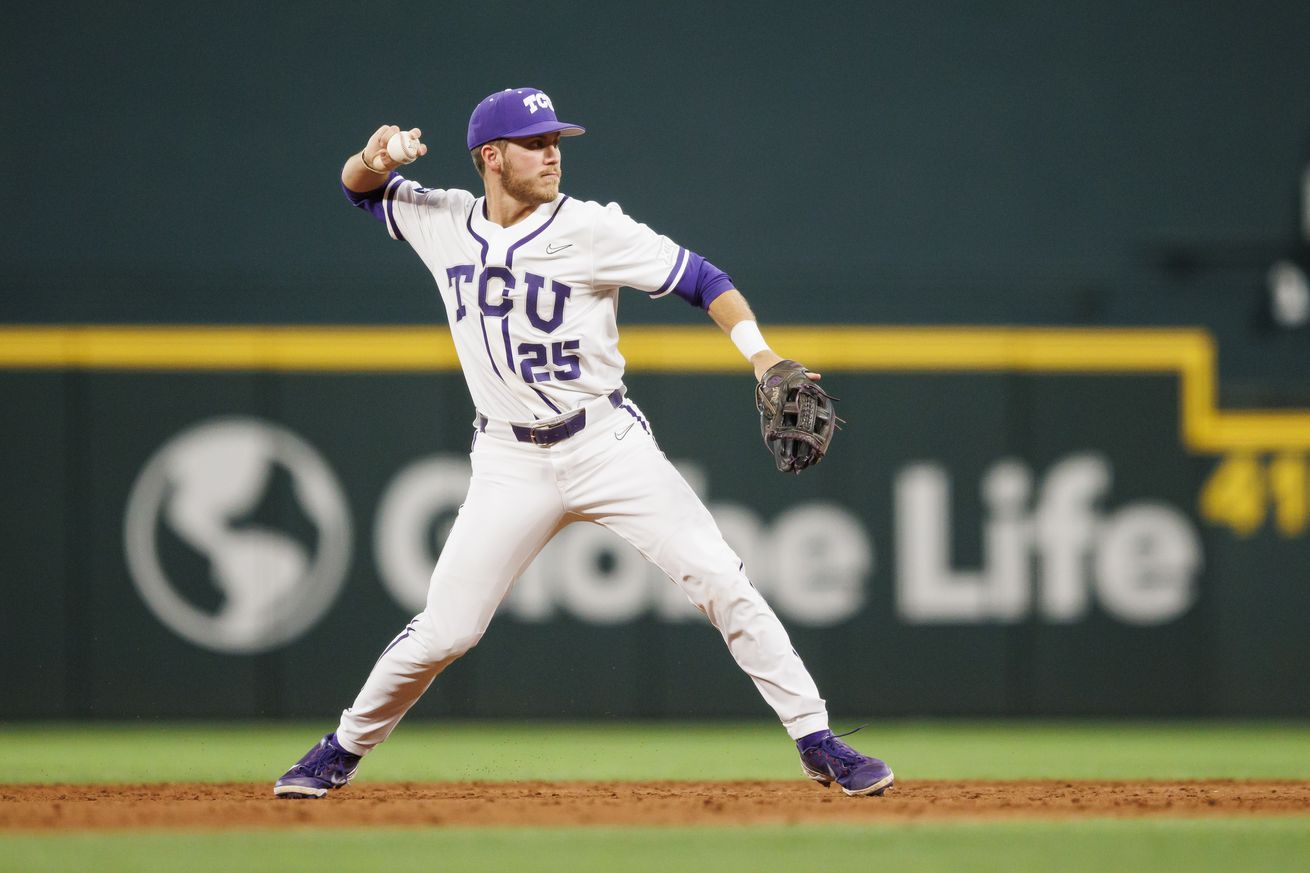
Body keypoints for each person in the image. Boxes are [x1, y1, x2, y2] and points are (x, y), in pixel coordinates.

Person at [273, 88, 893, 799]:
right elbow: (362, 190)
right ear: (491, 157)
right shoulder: (443, 219)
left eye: (557, 141)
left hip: (606, 444)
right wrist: (369, 158)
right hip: (509, 460)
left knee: (720, 578)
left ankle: (817, 739)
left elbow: (702, 278)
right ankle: (342, 747)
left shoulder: (594, 228)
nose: (553, 153)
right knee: (446, 631)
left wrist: (760, 354)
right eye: (537, 143)